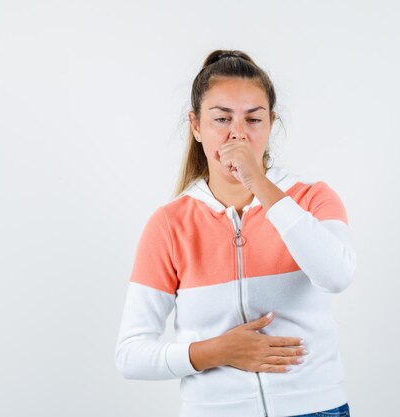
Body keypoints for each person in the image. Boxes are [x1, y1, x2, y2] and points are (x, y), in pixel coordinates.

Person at [114, 49, 356, 417]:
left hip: (314, 408)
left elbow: (336, 276)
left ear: (271, 123)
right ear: (196, 126)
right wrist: (217, 351)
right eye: (221, 119)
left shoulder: (312, 199)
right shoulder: (169, 224)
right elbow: (130, 353)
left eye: (253, 119)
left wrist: (258, 183)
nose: (237, 134)